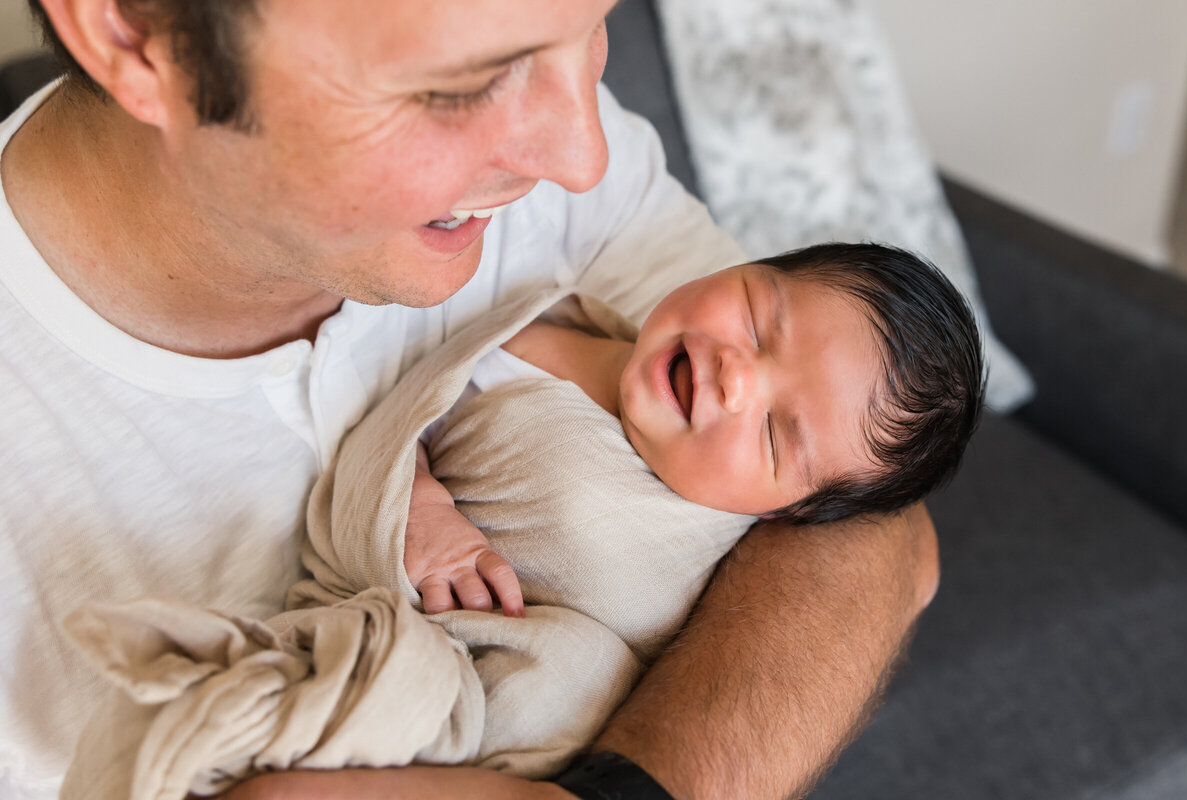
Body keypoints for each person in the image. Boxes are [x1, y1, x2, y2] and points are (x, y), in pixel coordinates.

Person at [0, 1, 940, 799]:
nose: (580, 153)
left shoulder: (574, 183)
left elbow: (876, 525)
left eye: (597, 24)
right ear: (130, 30)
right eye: (462, 84)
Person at [409, 244, 982, 618]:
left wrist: (418, 504)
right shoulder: (559, 298)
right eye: (758, 323)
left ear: (782, 514)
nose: (738, 378)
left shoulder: (645, 554)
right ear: (743, 264)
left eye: (775, 435)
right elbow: (378, 414)